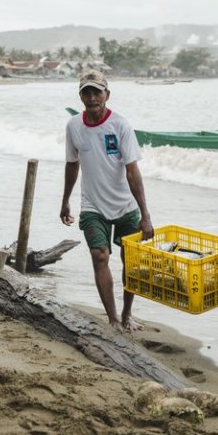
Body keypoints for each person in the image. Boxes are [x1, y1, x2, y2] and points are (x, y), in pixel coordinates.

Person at [60, 70, 154, 332]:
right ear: (80, 96)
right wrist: (65, 200)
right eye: (86, 92)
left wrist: (145, 214)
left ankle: (126, 314)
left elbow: (132, 171)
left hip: (125, 206)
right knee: (99, 256)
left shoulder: (121, 125)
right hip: (93, 206)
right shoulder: (74, 126)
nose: (91, 98)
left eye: (96, 92)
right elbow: (72, 165)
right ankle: (112, 319)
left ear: (107, 95)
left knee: (130, 262)